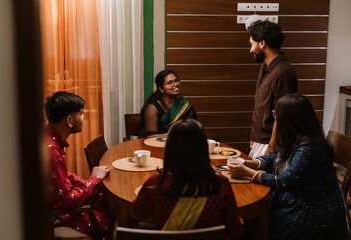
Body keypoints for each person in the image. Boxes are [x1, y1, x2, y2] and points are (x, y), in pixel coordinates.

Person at [228, 94, 349, 239]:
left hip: (313, 212)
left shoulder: (309, 148)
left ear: (290, 120)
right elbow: (277, 158)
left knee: (253, 224)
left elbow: (284, 181)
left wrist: (247, 172)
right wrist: (247, 163)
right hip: (297, 200)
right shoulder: (297, 139)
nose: (275, 119)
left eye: (276, 114)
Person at [132, 119, 244, 239]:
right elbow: (236, 230)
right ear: (203, 148)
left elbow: (139, 211)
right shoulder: (220, 185)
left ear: (170, 148)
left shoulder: (156, 182)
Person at [45, 91, 114, 239]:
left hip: (55, 203)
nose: (84, 117)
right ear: (69, 120)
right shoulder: (52, 151)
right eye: (81, 113)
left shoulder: (49, 138)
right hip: (54, 217)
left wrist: (87, 182)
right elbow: (66, 201)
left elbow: (64, 176)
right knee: (108, 216)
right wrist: (93, 180)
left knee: (103, 200)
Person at [247, 20, 298, 159]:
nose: (251, 50)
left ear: (262, 43)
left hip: (270, 146)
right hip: (260, 142)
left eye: (252, 44)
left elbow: (282, 115)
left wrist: (271, 148)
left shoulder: (283, 72)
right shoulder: (265, 67)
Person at [138, 69, 197, 138]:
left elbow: (193, 127)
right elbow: (150, 137)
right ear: (161, 88)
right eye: (170, 83)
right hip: (153, 144)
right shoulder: (152, 108)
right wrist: (170, 135)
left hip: (178, 142)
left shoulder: (184, 103)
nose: (175, 84)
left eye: (176, 81)